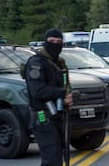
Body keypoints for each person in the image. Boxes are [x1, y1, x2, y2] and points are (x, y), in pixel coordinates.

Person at [25, 28, 73, 166]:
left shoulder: (60, 63)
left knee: (58, 156)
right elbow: (37, 91)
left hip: (59, 115)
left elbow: (65, 85)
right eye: (52, 41)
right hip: (42, 115)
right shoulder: (36, 63)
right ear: (45, 42)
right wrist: (62, 94)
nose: (55, 44)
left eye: (59, 42)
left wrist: (69, 95)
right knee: (52, 159)